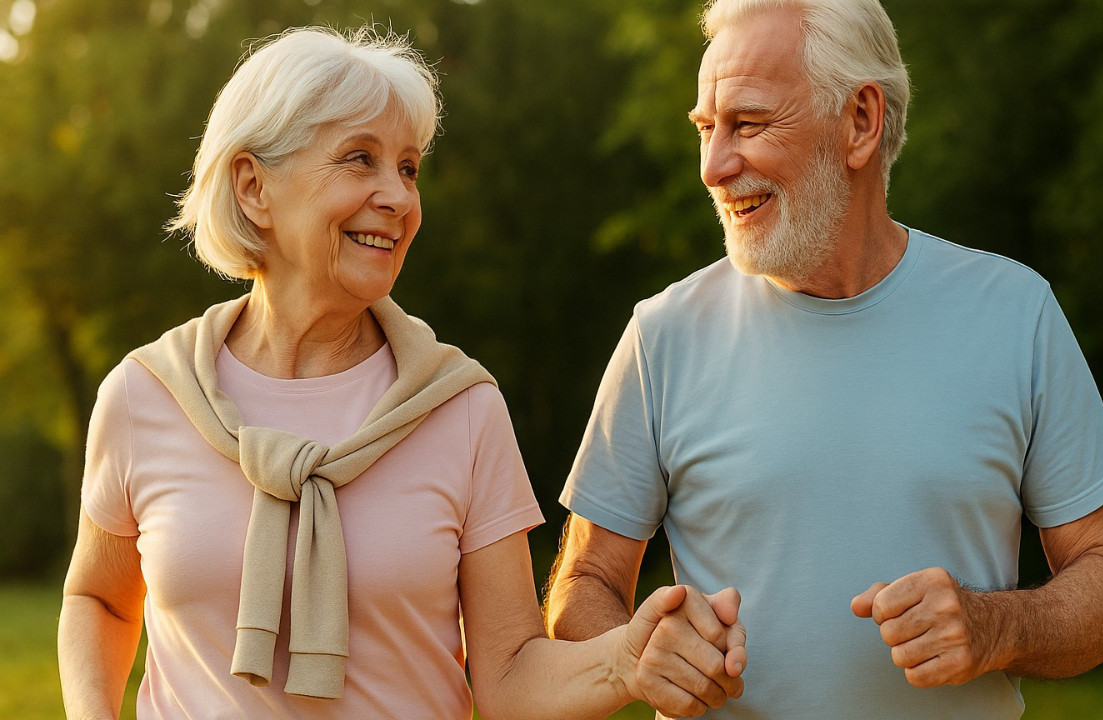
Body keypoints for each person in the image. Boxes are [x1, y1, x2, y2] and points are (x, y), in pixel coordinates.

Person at [56, 27, 742, 720]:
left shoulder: (461, 408)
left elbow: (508, 678)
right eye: (361, 160)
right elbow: (100, 598)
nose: (399, 197)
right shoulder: (147, 394)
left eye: (408, 168)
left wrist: (625, 658)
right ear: (253, 186)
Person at [546, 0, 1103, 717]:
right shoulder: (661, 335)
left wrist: (996, 627)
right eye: (706, 130)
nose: (713, 166)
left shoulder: (1015, 313)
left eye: (748, 122)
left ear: (860, 122)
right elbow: (582, 586)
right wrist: (640, 650)